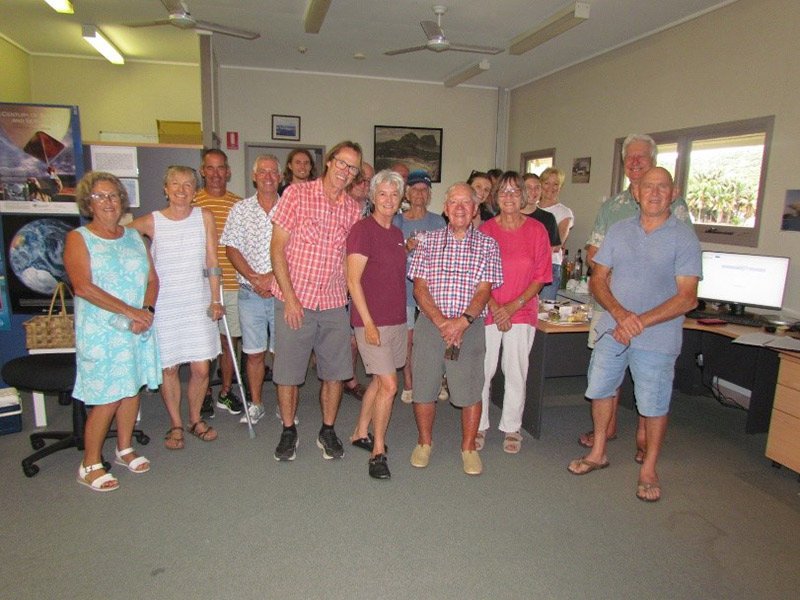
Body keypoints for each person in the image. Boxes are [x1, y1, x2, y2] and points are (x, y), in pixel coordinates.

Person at [568, 167, 701, 503]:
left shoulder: (684, 236)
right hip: (613, 330)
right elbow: (598, 278)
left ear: (673, 194)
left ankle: (649, 469)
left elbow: (688, 297)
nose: (654, 193)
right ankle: (598, 451)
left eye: (662, 187)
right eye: (648, 187)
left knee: (654, 404)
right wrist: (620, 315)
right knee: (600, 390)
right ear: (637, 192)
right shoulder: (619, 229)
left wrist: (638, 321)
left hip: (657, 338)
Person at [579, 134, 693, 459]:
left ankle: (645, 443)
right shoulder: (613, 209)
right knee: (604, 379)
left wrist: (637, 317)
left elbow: (681, 269)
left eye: (642, 157)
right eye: (630, 158)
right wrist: (615, 298)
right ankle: (606, 435)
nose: (636, 163)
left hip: (655, 316)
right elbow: (595, 253)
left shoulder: (677, 214)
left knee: (651, 391)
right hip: (613, 306)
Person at [65, 172, 161, 491]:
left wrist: (146, 311)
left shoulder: (134, 237)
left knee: (131, 389)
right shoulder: (80, 238)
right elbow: (83, 287)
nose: (108, 202)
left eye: (114, 196)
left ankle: (124, 448)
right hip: (102, 332)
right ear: (87, 203)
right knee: (107, 397)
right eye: (100, 197)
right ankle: (90, 463)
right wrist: (131, 310)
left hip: (135, 328)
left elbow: (151, 280)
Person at [270, 140, 363, 462]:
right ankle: (287, 430)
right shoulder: (297, 194)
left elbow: (352, 257)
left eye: (352, 168)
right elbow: (277, 248)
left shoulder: (353, 208)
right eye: (341, 163)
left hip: (334, 302)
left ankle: (327, 428)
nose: (345, 171)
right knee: (288, 373)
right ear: (329, 162)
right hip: (296, 299)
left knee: (335, 372)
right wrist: (291, 300)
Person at [407, 182, 503, 476]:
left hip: (469, 326)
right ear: (445, 209)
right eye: (454, 203)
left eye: (466, 203)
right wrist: (441, 322)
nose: (460, 208)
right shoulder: (428, 242)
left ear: (475, 209)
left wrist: (462, 322)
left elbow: (484, 290)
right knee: (423, 387)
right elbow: (419, 288)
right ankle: (424, 443)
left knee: (470, 388)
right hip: (430, 325)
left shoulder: (488, 244)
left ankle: (469, 447)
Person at [130, 166, 224, 448]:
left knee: (201, 369)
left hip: (197, 301)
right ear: (165, 189)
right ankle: (176, 424)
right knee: (169, 368)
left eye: (187, 185)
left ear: (195, 192)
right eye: (175, 183)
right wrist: (145, 259)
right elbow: (119, 237)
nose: (181, 189)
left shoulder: (204, 216)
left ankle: (195, 419)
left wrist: (216, 299)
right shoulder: (150, 222)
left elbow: (211, 261)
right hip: (166, 303)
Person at [478, 172, 551, 453]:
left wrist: (513, 306)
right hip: (489, 310)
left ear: (524, 196)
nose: (509, 197)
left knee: (515, 370)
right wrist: (496, 307)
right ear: (496, 198)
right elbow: (479, 276)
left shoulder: (536, 231)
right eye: (503, 192)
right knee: (484, 371)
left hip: (521, 311)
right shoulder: (485, 230)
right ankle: (480, 425)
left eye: (514, 191)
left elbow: (541, 275)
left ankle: (511, 427)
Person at [346, 170, 407, 479]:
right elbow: (352, 280)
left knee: (380, 382)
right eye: (382, 193)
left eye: (394, 194)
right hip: (372, 323)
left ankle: (360, 431)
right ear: (372, 197)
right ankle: (378, 450)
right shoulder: (362, 230)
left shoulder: (397, 235)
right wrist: (368, 323)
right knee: (390, 386)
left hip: (396, 320)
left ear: (400, 200)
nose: (388, 199)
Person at [220, 154, 280, 426]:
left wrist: (272, 278)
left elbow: (296, 250)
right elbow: (231, 247)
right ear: (254, 176)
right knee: (254, 353)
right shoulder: (240, 209)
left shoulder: (290, 208)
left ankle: (285, 405)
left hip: (282, 294)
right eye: (262, 172)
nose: (268, 176)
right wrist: (255, 278)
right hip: (249, 292)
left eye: (273, 172)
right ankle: (256, 404)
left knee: (282, 354)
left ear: (280, 176)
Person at [193, 149, 243, 418]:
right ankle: (205, 394)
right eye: (210, 168)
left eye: (220, 168)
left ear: (228, 171)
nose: (215, 174)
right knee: (203, 343)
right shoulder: (191, 203)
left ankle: (225, 390)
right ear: (203, 171)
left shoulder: (238, 204)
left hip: (232, 283)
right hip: (200, 286)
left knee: (228, 341)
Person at [392, 170, 446, 404]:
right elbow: (388, 256)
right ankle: (410, 383)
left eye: (424, 190)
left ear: (429, 194)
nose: (420, 194)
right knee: (408, 338)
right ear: (407, 193)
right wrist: (405, 249)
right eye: (415, 189)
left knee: (434, 336)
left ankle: (437, 381)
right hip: (403, 287)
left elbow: (447, 254)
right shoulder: (397, 220)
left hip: (432, 290)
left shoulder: (438, 221)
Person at [341, 161, 376, 402]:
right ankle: (347, 379)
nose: (364, 185)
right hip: (340, 283)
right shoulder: (338, 206)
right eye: (361, 179)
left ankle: (349, 378)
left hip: (369, 283)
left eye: (369, 181)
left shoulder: (377, 209)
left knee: (358, 336)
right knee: (346, 338)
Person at [537, 167, 574, 300]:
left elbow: (557, 244)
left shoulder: (564, 212)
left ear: (561, 187)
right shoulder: (530, 208)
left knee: (543, 311)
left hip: (549, 266)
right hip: (526, 266)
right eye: (547, 183)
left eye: (556, 184)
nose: (551, 188)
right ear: (540, 184)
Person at [521, 173, 561, 250]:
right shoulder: (510, 215)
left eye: (537, 188)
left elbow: (549, 251)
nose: (533, 191)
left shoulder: (549, 218)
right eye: (528, 187)